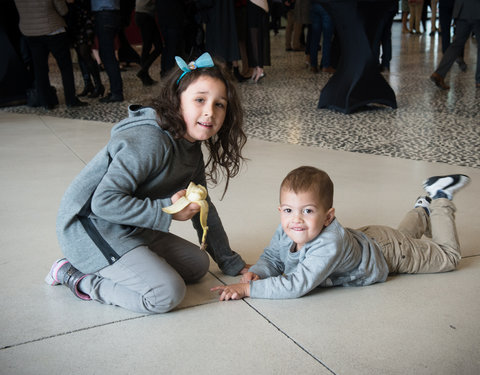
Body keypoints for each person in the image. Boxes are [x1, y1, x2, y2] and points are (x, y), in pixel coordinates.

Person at [45, 53, 250, 314]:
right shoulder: (151, 140)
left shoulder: (191, 147)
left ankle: (131, 260)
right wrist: (167, 210)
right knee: (166, 294)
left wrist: (230, 262)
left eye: (219, 104)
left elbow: (204, 208)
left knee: (198, 265)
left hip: (132, 226)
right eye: (200, 100)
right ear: (177, 102)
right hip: (92, 228)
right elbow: (102, 202)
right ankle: (76, 276)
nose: (210, 111)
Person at [212, 166, 470, 301]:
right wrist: (259, 271)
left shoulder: (329, 243)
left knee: (447, 257)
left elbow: (297, 284)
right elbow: (273, 257)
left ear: (328, 217)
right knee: (404, 238)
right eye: (288, 210)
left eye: (308, 211)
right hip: (374, 240)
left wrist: (248, 291)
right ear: (280, 210)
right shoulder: (287, 228)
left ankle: (440, 196)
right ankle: (421, 211)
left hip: (391, 254)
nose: (296, 219)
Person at [14, 0, 87, 109]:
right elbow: (63, 10)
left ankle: (46, 102)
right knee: (65, 66)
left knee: (40, 68)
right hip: (53, 28)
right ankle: (71, 100)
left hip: (30, 31)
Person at [430, 0, 480, 90]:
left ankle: (439, 73)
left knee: (457, 44)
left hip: (462, 10)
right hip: (477, 10)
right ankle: (479, 80)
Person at [66, 0, 105, 98]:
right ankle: (88, 84)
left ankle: (98, 85)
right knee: (80, 55)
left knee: (85, 53)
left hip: (84, 20)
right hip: (74, 22)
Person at [91, 0, 124, 103]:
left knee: (107, 56)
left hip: (104, 14)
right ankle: (116, 91)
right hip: (112, 14)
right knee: (108, 55)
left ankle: (116, 93)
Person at [135, 0, 162, 86]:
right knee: (156, 46)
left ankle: (144, 75)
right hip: (145, 14)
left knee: (148, 46)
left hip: (142, 13)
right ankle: (143, 72)